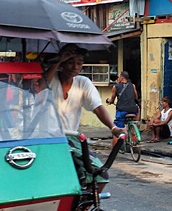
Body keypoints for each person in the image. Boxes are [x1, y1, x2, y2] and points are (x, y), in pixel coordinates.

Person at [44, 45, 124, 189]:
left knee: (100, 176)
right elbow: (41, 86)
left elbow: (97, 107)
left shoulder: (83, 82)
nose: (75, 66)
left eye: (79, 63)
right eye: (70, 61)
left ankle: (80, 210)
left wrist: (113, 127)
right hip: (46, 139)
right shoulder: (50, 79)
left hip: (70, 139)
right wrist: (57, 61)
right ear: (62, 63)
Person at [107, 70, 139, 146]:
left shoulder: (115, 87)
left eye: (118, 77)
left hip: (122, 110)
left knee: (117, 129)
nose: (118, 79)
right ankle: (133, 135)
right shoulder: (132, 85)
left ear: (121, 77)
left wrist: (108, 101)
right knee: (133, 122)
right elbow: (136, 97)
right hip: (133, 110)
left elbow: (112, 100)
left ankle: (114, 149)